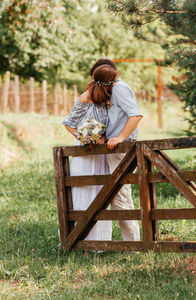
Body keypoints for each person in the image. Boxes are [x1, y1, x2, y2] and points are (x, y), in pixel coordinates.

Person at [62, 64, 118, 241]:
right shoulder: (86, 97)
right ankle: (80, 239)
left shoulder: (108, 97)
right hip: (85, 151)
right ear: (105, 83)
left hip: (101, 154)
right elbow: (68, 123)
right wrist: (85, 139)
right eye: (113, 81)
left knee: (99, 192)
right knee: (83, 191)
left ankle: (99, 240)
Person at [90, 58, 143, 241]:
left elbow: (135, 115)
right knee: (119, 195)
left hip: (121, 146)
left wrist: (120, 137)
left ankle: (133, 244)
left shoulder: (119, 88)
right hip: (113, 146)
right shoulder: (114, 89)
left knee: (120, 195)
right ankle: (133, 241)